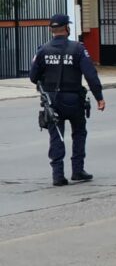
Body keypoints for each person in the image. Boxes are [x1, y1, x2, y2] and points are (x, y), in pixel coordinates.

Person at [29, 14, 105, 187]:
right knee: (79, 133)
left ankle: (58, 176)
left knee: (56, 137)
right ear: (67, 28)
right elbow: (91, 75)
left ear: (51, 30)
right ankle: (77, 171)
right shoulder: (78, 49)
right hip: (74, 100)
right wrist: (99, 97)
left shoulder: (43, 50)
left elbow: (33, 77)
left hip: (52, 101)